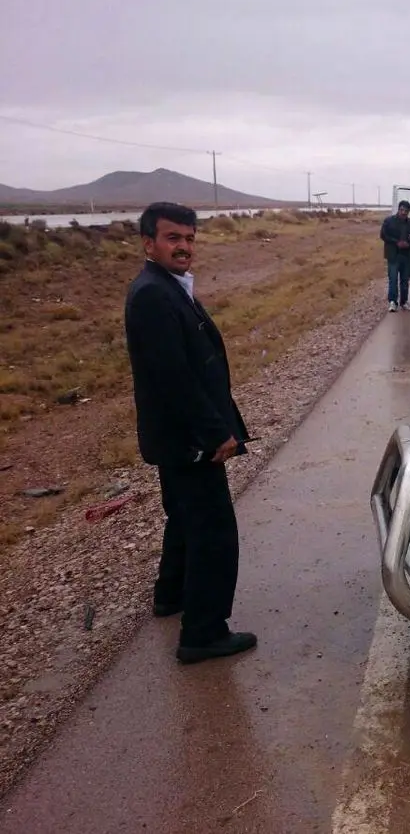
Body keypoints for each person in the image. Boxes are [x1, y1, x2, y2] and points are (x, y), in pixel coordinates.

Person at [123, 201, 257, 665]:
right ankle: (203, 632)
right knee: (213, 530)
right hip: (189, 439)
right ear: (149, 243)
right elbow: (172, 377)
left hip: (177, 437)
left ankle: (171, 594)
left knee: (183, 516)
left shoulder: (166, 286)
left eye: (189, 238)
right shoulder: (152, 295)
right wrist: (214, 433)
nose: (184, 247)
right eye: (173, 238)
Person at [379, 199, 410, 311]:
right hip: (393, 255)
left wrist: (409, 242)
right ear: (398, 209)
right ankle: (393, 302)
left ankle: (404, 301)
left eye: (406, 211)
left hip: (406, 255)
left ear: (408, 211)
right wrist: (396, 242)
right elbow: (383, 235)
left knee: (404, 280)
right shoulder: (389, 221)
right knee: (393, 279)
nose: (403, 212)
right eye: (402, 210)